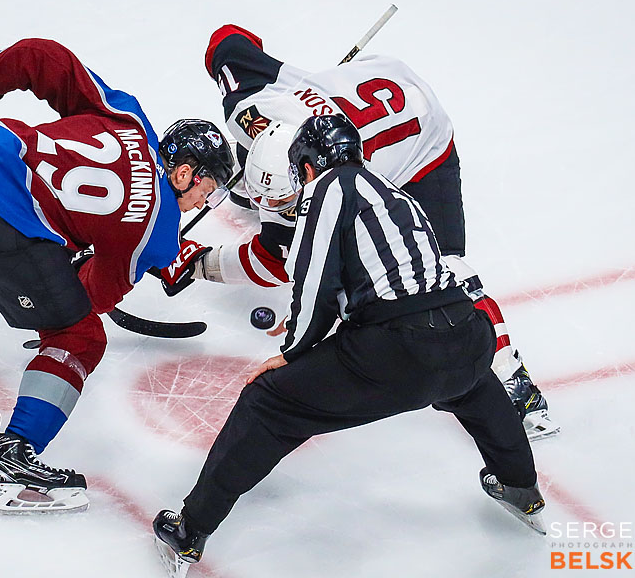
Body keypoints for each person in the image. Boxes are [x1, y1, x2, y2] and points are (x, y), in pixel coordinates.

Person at [0, 38, 235, 514]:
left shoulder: (128, 118)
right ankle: (16, 457)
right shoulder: (159, 230)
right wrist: (73, 271)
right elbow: (93, 297)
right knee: (79, 336)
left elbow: (43, 56)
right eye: (209, 189)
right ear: (184, 173)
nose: (205, 202)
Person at [153, 115, 546, 571]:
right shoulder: (392, 190)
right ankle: (523, 489)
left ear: (306, 167)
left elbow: (317, 284)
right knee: (472, 384)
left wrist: (293, 351)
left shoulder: (327, 189)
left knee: (267, 403)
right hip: (467, 331)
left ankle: (190, 530)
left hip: (398, 349)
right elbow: (398, 276)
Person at [162, 24, 558, 440]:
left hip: (422, 141)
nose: (273, 211)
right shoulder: (248, 108)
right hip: (376, 77)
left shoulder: (345, 186)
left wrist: (200, 263)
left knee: (444, 272)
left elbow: (275, 262)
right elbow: (227, 41)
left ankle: (514, 382)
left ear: (305, 173)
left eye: (284, 202)